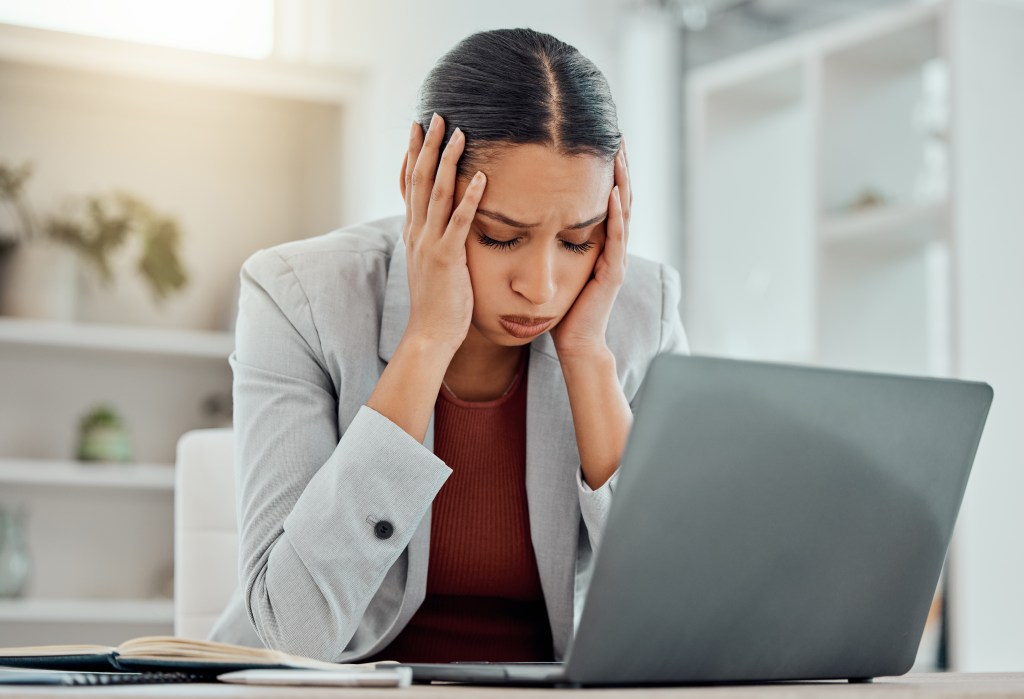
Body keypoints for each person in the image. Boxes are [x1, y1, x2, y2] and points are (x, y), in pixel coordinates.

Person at [208, 27, 689, 663]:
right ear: (419, 186)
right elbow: (293, 633)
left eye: (579, 240)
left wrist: (589, 360)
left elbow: (684, 623)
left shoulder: (642, 309)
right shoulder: (300, 297)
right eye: (498, 236)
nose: (542, 287)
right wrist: (428, 339)